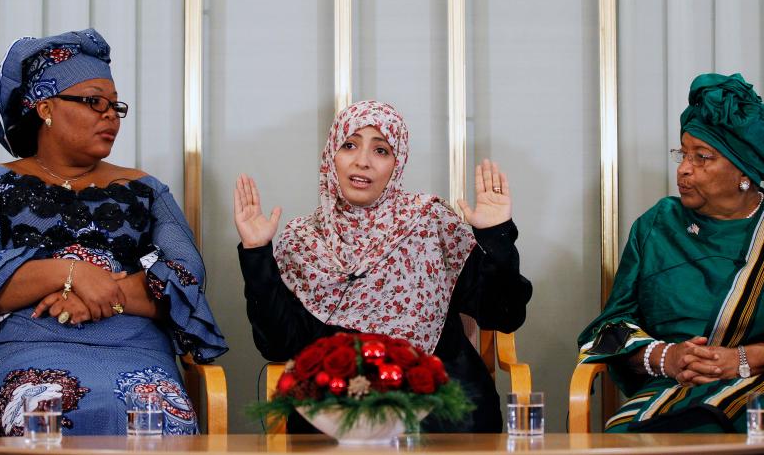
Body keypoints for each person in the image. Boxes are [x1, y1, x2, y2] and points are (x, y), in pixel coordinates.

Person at [235, 100, 532, 432]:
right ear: (331, 155)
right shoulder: (303, 241)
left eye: (381, 150)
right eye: (350, 145)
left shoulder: (429, 222)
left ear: (397, 162)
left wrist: (496, 235)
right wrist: (257, 251)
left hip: (440, 408)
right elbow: (278, 345)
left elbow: (503, 314)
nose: (362, 162)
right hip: (336, 415)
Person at [0, 29, 227, 436]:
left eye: (114, 106)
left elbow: (186, 276)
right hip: (29, 347)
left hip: (135, 349)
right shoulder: (1, 186)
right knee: (39, 414)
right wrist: (68, 273)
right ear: (46, 107)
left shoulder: (144, 189)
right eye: (93, 102)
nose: (109, 115)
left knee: (157, 416)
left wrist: (103, 294)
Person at [578, 73, 764, 433]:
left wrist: (741, 360)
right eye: (682, 153)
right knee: (624, 436)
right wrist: (666, 357)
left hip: (755, 388)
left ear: (745, 172)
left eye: (703, 157)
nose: (683, 169)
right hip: (670, 391)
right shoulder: (657, 226)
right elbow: (609, 329)